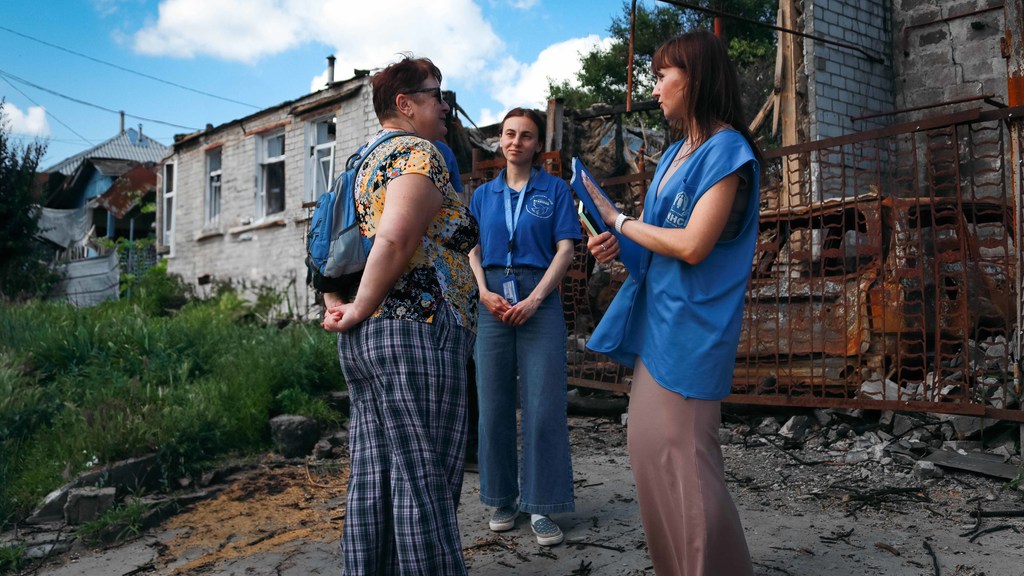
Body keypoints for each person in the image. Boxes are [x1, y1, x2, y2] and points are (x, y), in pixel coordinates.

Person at [579, 31, 760, 576]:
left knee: (689, 465)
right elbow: (655, 246)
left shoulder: (728, 150)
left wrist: (621, 221)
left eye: (662, 76)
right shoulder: (673, 156)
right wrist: (616, 244)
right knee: (651, 457)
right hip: (660, 321)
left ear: (696, 78)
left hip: (694, 327)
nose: (654, 88)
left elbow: (693, 244)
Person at [320, 54, 479, 575]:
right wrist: (363, 305)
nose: (444, 106)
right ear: (404, 105)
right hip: (416, 334)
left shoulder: (358, 165)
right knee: (423, 484)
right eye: (437, 94)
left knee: (374, 480)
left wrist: (341, 307)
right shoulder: (419, 153)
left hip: (367, 340)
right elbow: (397, 238)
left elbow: (323, 249)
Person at [468, 108, 580, 546]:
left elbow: (567, 249)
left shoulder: (554, 189)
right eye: (509, 134)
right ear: (500, 140)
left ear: (537, 145)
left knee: (543, 404)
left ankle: (542, 505)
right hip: (492, 298)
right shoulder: (482, 196)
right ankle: (501, 498)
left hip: (540, 298)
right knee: (493, 401)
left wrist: (535, 299)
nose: (517, 141)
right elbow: (470, 248)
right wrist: (481, 291)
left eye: (526, 135)